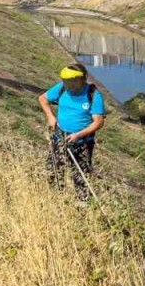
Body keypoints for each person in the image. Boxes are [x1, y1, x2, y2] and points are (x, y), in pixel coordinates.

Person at [38, 63, 106, 202]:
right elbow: (43, 99)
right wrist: (51, 117)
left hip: (82, 142)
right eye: (67, 81)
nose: (70, 85)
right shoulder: (62, 88)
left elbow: (98, 122)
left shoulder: (93, 95)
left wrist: (79, 135)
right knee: (53, 171)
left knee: (80, 177)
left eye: (74, 81)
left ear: (84, 79)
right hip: (60, 137)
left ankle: (82, 205)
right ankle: (56, 200)